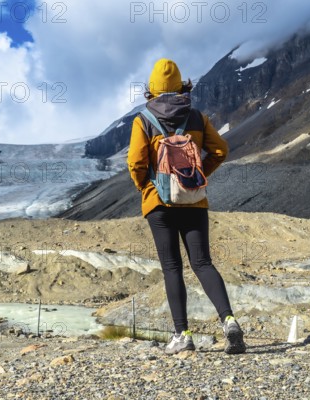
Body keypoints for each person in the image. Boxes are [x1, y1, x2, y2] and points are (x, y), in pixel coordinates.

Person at [127, 58, 246, 355]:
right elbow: (221, 149)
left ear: (151, 89)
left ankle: (183, 335)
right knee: (203, 263)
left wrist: (146, 187)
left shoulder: (143, 120)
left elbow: (135, 162)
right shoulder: (196, 117)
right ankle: (229, 320)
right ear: (181, 85)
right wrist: (198, 175)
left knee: (172, 268)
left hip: (159, 204)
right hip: (194, 200)